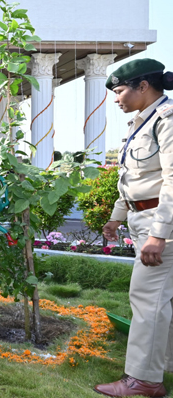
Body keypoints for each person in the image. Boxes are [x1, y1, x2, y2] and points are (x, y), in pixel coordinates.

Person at [95, 58, 173, 398]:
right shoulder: (143, 122)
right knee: (161, 300)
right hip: (146, 218)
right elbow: (135, 178)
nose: (116, 99)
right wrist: (117, 216)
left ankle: (143, 381)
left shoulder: (167, 121)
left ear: (144, 86)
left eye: (120, 90)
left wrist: (160, 233)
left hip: (162, 225)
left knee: (147, 298)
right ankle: (162, 366)